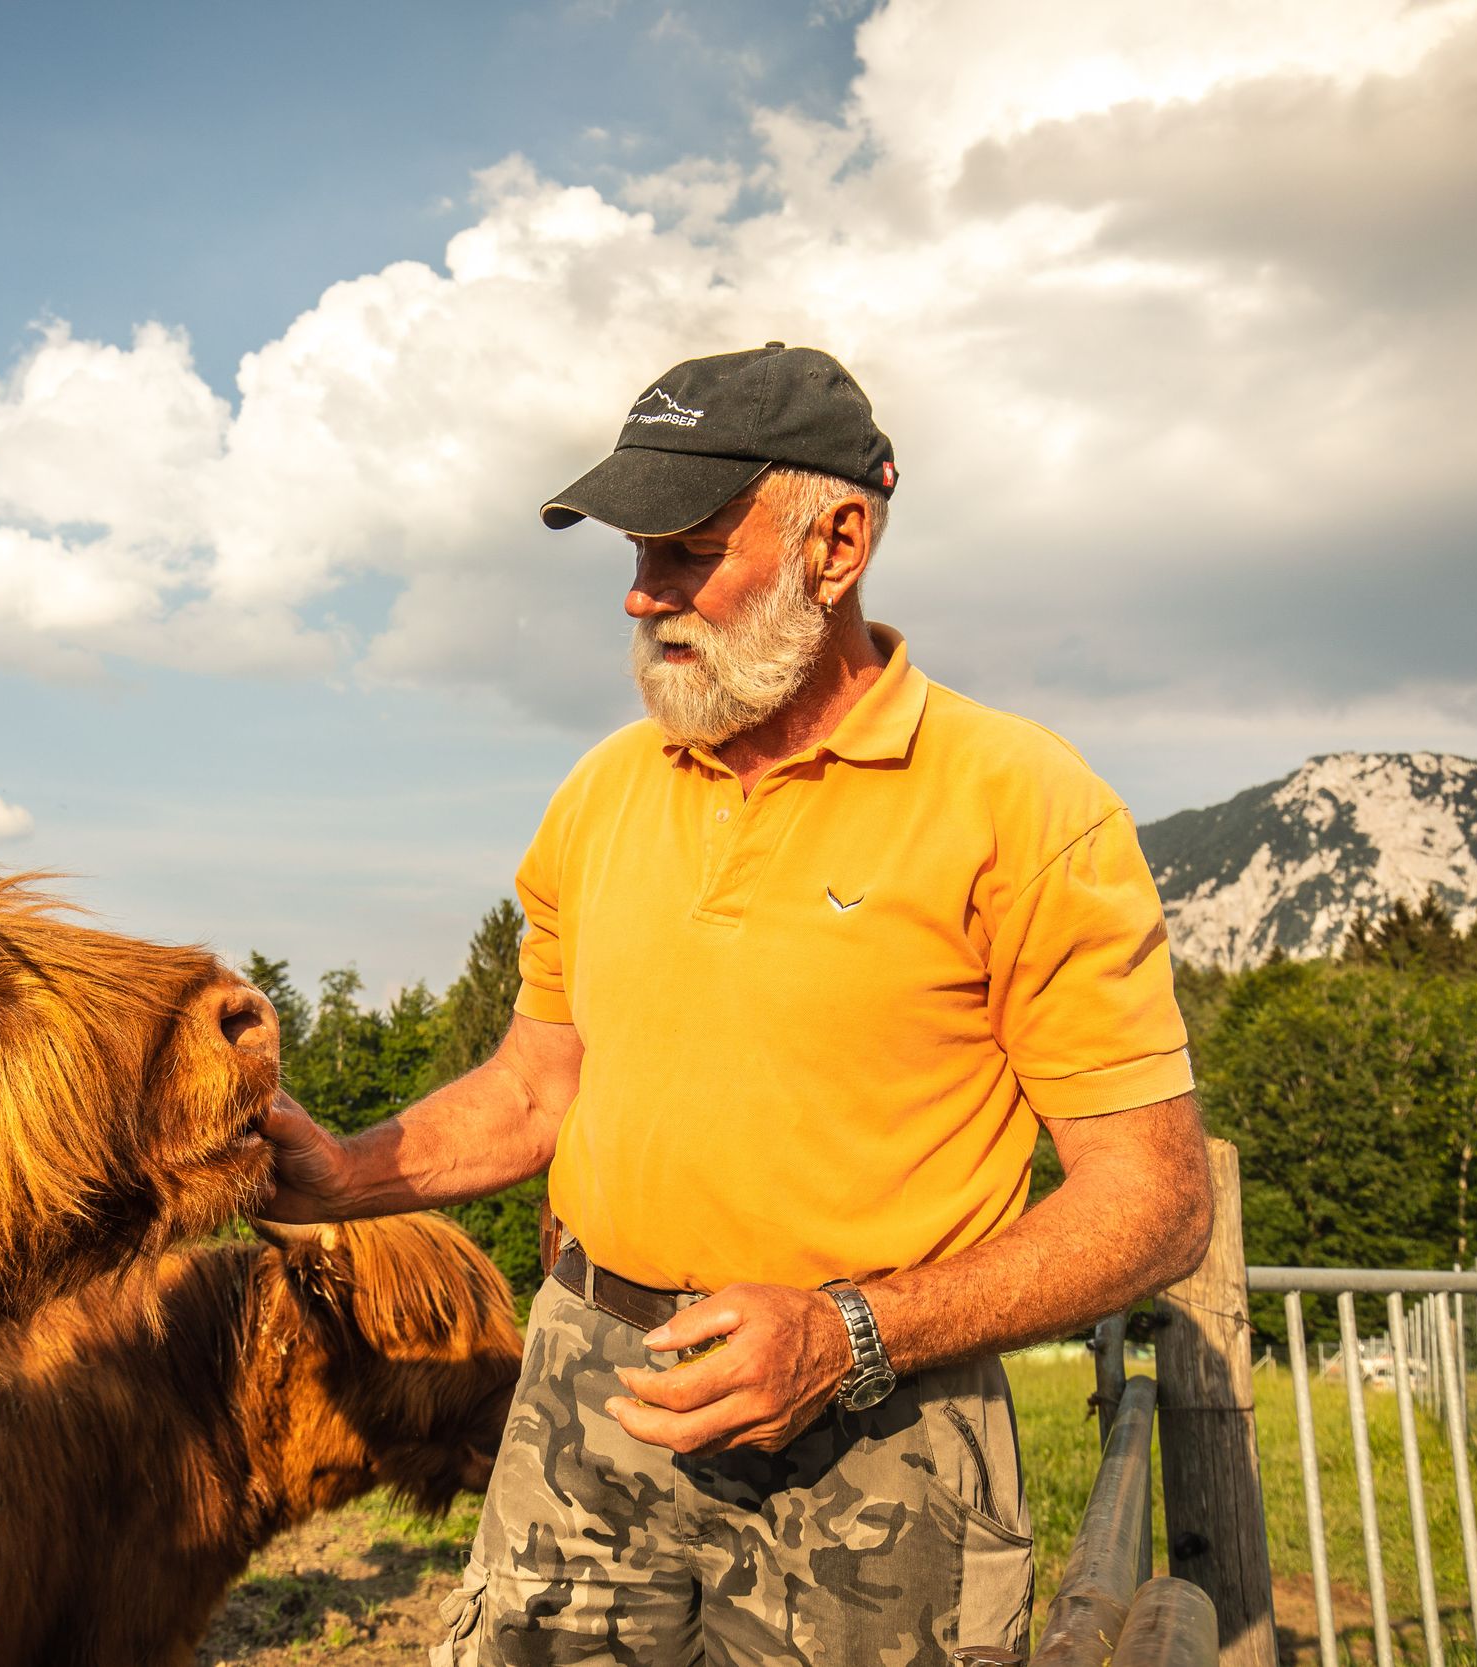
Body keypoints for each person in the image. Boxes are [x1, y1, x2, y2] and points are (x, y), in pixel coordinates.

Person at [255, 342, 1213, 1667]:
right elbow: (540, 1090)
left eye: (688, 549)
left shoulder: (1025, 803)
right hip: (589, 1390)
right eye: (632, 559)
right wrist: (341, 1174)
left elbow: (1154, 1203)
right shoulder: (602, 792)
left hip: (880, 1434)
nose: (644, 598)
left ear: (838, 541)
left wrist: (851, 1333)